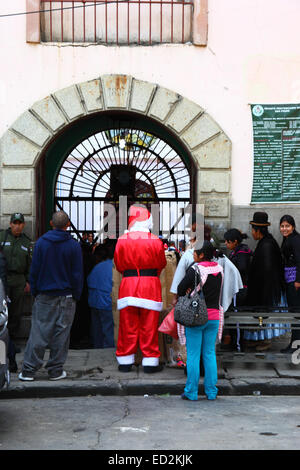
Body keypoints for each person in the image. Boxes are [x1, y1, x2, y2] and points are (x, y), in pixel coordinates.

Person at [18, 211, 83, 381]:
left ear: (51, 223)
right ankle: (55, 370)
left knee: (39, 332)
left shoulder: (41, 244)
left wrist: (35, 291)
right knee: (61, 334)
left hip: (45, 294)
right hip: (67, 295)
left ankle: (29, 370)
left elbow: (35, 271)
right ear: (68, 224)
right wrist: (76, 294)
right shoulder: (73, 245)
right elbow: (77, 274)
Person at [114, 204, 167, 373]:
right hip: (150, 285)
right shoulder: (156, 241)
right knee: (149, 325)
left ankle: (125, 362)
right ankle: (150, 362)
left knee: (127, 325)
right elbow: (161, 264)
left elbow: (119, 264)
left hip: (128, 285)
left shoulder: (122, 240)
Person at [177, 241, 223, 401]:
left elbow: (180, 289)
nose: (193, 254)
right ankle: (211, 392)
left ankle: (191, 392)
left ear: (202, 254)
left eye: (195, 252)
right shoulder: (219, 269)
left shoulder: (195, 269)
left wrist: (189, 290)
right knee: (209, 354)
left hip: (196, 317)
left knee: (194, 355)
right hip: (215, 317)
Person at [245, 212, 286, 351]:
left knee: (264, 314)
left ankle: (265, 340)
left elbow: (268, 270)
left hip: (267, 287)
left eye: (253, 230)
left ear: (258, 231)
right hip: (262, 286)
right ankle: (258, 339)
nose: (252, 233)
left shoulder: (267, 245)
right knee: (259, 313)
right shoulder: (265, 242)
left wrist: (265, 288)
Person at [0, 213, 32, 372]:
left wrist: (28, 281)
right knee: (2, 313)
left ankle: (11, 344)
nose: (17, 226)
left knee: (16, 313)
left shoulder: (26, 241)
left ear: (23, 225)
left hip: (19, 280)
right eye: (15, 223)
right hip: (3, 280)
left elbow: (29, 264)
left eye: (20, 223)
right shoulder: (2, 236)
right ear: (10, 224)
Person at [279, 215, 300, 353]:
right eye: (282, 226)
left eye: (287, 226)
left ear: (293, 227)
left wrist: (298, 280)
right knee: (294, 313)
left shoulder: (296, 240)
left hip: (295, 282)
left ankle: (296, 345)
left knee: (296, 313)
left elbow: (299, 261)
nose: (284, 229)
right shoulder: (288, 239)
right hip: (290, 280)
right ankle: (294, 343)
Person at [87, 244, 114, 349]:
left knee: (96, 331)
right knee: (108, 331)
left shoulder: (97, 267)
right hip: (107, 303)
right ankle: (107, 352)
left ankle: (97, 351)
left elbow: (89, 280)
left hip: (94, 302)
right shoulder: (114, 267)